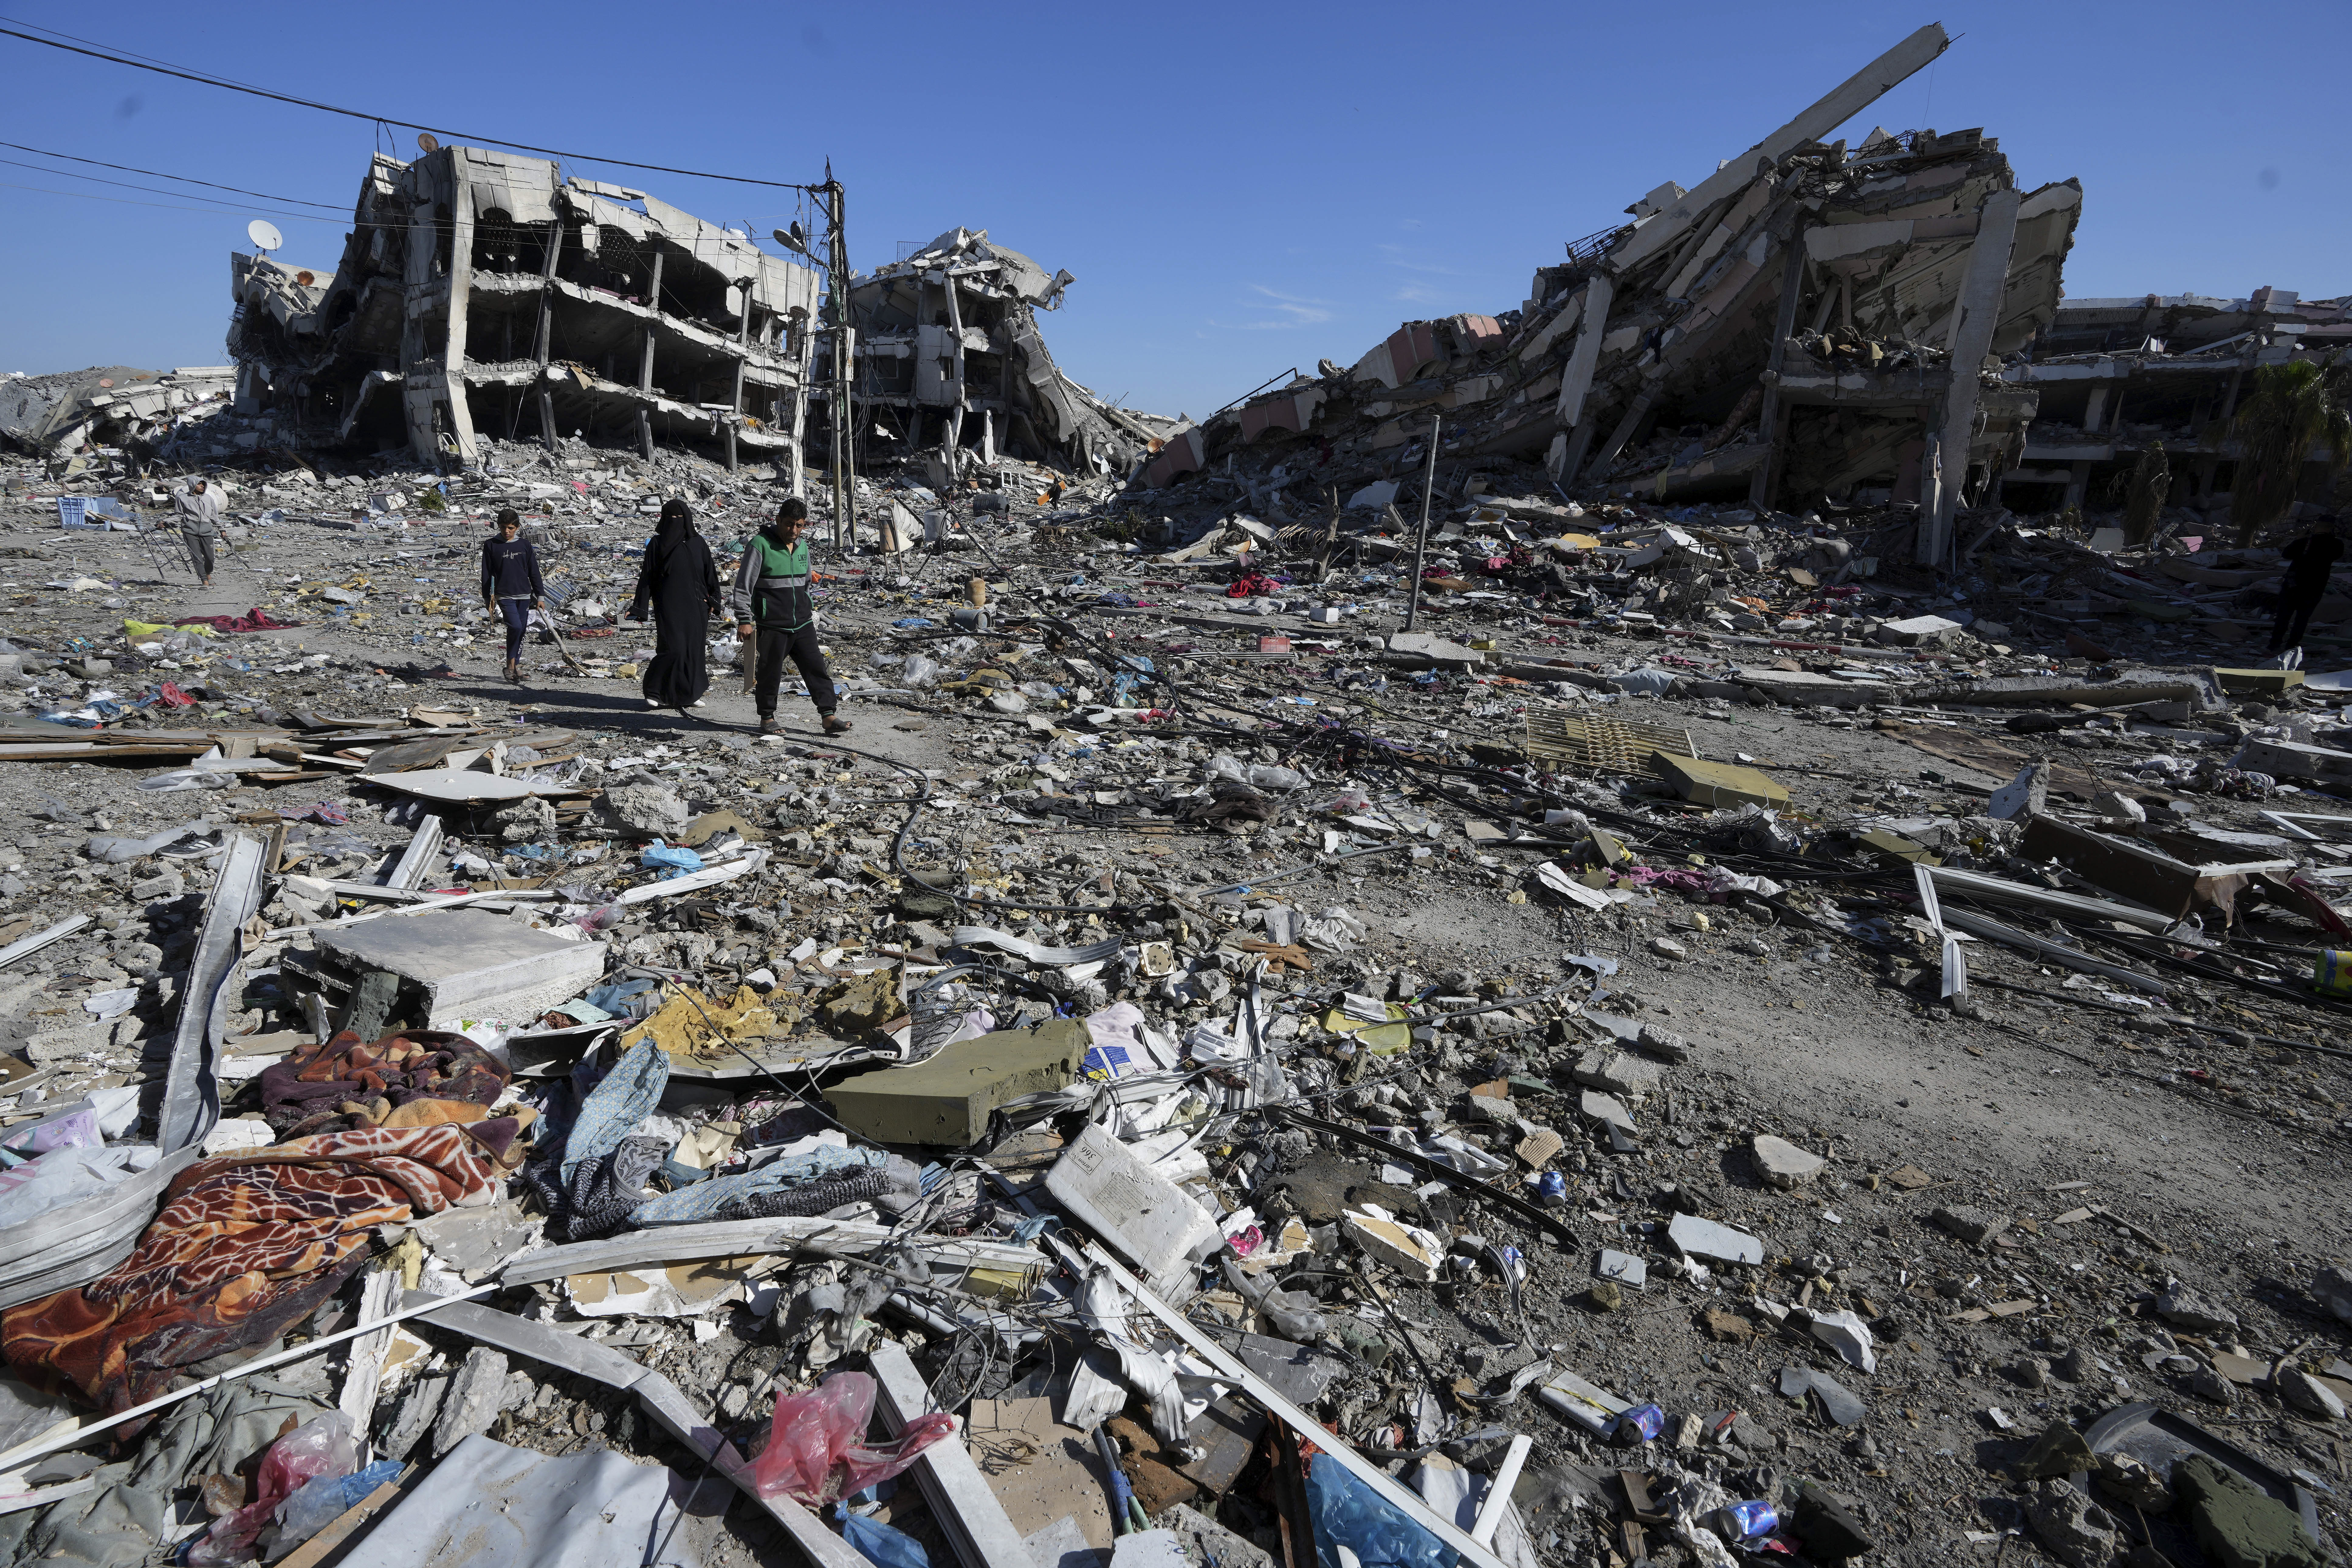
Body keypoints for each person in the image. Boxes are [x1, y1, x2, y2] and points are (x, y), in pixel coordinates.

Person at [732, 498, 848, 736]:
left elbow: (806, 585)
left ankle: (828, 716)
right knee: (770, 673)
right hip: (773, 625)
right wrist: (744, 620)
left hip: (803, 623)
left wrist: (808, 606)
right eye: (789, 524)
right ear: (778, 521)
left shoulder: (803, 547)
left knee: (816, 668)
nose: (793, 530)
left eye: (799, 525)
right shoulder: (760, 545)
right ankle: (767, 719)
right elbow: (744, 586)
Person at [629, 498, 723, 716]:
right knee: (673, 649)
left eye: (679, 518)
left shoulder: (698, 543)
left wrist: (714, 601)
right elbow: (647, 577)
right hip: (668, 605)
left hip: (697, 607)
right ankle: (654, 692)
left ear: (687, 520)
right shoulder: (657, 544)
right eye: (670, 518)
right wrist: (639, 607)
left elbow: (711, 575)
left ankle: (689, 695)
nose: (674, 522)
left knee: (693, 652)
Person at [479, 508, 545, 685]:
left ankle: (515, 666)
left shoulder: (524, 545)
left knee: (522, 630)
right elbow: (487, 573)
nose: (506, 532)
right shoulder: (491, 545)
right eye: (503, 528)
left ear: (517, 527)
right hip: (504, 595)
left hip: (524, 595)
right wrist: (488, 598)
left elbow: (534, 571)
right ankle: (510, 664)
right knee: (515, 626)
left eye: (510, 528)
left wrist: (541, 595)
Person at [2269, 514, 2342, 669]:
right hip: (2315, 587)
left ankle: (2274, 644)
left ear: (2317, 526)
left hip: (2294, 584)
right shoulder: (2336, 544)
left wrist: (2298, 539)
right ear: (2332, 528)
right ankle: (2292, 645)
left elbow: (2286, 555)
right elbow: (2337, 556)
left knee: (2283, 616)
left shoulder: (2304, 542)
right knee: (2302, 619)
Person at [171, 478, 224, 586]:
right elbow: (178, 515)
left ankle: (208, 573)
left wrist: (222, 529)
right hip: (190, 531)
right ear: (192, 485)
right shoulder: (183, 498)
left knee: (210, 558)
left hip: (207, 531)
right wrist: (165, 522)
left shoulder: (208, 498)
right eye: (199, 484)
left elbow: (215, 517)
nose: (202, 486)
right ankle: (204, 580)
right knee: (197, 557)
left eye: (203, 484)